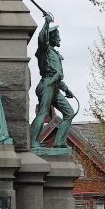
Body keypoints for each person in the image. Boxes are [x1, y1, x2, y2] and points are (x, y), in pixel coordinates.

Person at [29, 12, 76, 148]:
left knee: (69, 113)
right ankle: (33, 142)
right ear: (52, 37)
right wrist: (46, 23)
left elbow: (58, 75)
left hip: (55, 86)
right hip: (47, 84)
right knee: (43, 113)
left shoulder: (54, 53)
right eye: (58, 37)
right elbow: (42, 39)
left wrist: (66, 89)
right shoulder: (45, 51)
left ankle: (59, 142)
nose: (59, 39)